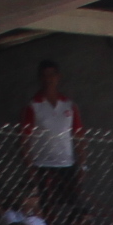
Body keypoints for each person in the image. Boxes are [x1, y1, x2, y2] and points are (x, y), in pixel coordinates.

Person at [25, 58, 78, 217]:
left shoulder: (69, 105)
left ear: (58, 76)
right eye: (45, 75)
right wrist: (30, 167)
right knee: (47, 207)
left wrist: (82, 165)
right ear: (40, 78)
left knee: (70, 206)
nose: (49, 79)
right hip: (42, 164)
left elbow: (78, 136)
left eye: (52, 75)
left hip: (66, 164)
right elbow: (24, 140)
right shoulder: (33, 105)